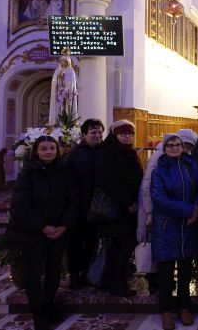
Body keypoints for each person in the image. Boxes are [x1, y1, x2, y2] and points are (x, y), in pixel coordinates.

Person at [10, 135, 78, 330]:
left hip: (59, 231)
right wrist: (42, 227)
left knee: (54, 271)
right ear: (36, 151)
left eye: (52, 148)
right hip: (34, 233)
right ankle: (38, 312)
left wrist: (64, 225)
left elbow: (73, 200)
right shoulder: (27, 173)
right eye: (44, 149)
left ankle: (48, 305)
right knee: (33, 273)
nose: (48, 152)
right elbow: (20, 206)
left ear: (57, 150)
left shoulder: (65, 171)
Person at [151, 135, 198, 330]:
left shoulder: (190, 165)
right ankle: (166, 310)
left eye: (178, 145)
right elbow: (159, 198)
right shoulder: (159, 170)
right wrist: (189, 210)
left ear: (183, 147)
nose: (174, 148)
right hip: (166, 226)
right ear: (164, 149)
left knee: (185, 270)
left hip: (189, 226)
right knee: (165, 272)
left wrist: (196, 208)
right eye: (170, 145)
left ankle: (184, 306)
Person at [95, 120, 143, 296]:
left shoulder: (126, 151)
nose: (127, 136)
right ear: (115, 135)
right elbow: (109, 182)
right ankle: (117, 282)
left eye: (130, 133)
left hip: (126, 208)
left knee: (117, 247)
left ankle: (108, 280)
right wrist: (128, 202)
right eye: (123, 134)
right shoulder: (107, 152)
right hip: (117, 209)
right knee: (123, 245)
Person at [138, 133, 179, 297]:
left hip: (167, 209)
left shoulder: (178, 157)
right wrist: (149, 211)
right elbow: (147, 184)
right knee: (155, 244)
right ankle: (155, 279)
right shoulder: (159, 157)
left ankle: (162, 279)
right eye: (172, 145)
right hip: (155, 209)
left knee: (164, 245)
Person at [66, 118, 104, 291]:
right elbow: (68, 180)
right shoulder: (75, 154)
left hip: (98, 207)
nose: (97, 135)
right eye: (93, 132)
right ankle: (74, 275)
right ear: (84, 134)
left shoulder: (104, 151)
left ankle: (86, 274)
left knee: (92, 242)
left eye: (100, 132)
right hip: (78, 206)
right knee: (75, 243)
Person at [48, 55, 78, 127]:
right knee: (60, 107)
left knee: (68, 108)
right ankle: (59, 123)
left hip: (68, 94)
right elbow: (55, 82)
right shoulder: (58, 71)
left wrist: (68, 89)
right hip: (60, 93)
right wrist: (60, 77)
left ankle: (69, 124)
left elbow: (72, 83)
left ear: (68, 62)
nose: (63, 62)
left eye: (65, 61)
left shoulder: (71, 71)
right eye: (62, 61)